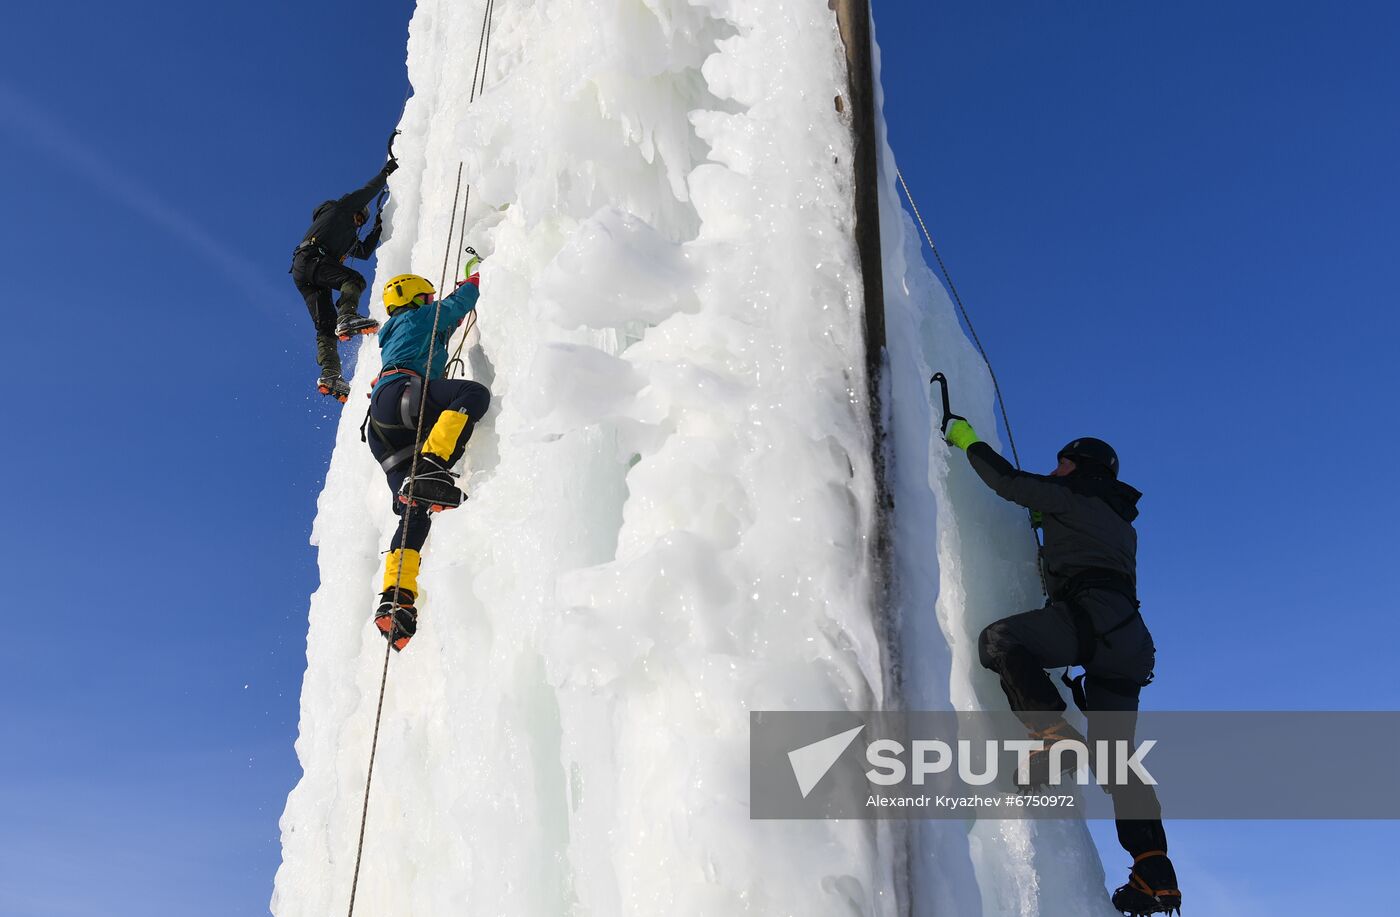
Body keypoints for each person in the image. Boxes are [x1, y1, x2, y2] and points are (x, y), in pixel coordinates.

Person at [944, 418, 1182, 917]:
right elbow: (1080, 535)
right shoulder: (1118, 517)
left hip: (1087, 618)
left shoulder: (1074, 493)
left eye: (1063, 463)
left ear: (1081, 468)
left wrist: (966, 439)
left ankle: (1052, 732)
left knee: (1000, 640)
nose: (1056, 470)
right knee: (1119, 763)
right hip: (1128, 639)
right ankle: (1152, 868)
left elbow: (1008, 482)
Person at [363, 259, 490, 651]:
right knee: (473, 395)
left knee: (412, 505)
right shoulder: (422, 316)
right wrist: (476, 279)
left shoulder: (395, 335)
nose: (432, 299)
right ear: (416, 297)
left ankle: (396, 596)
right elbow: (457, 305)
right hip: (405, 396)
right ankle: (434, 463)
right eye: (427, 296)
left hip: (381, 428)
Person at [291, 157, 399, 401]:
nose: (358, 222)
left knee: (325, 325)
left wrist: (378, 228)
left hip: (304, 270)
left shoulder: (344, 237)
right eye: (360, 218)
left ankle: (330, 373)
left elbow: (362, 252)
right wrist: (386, 173)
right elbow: (367, 192)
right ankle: (348, 316)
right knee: (354, 281)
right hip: (313, 258)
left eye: (361, 222)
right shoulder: (340, 209)